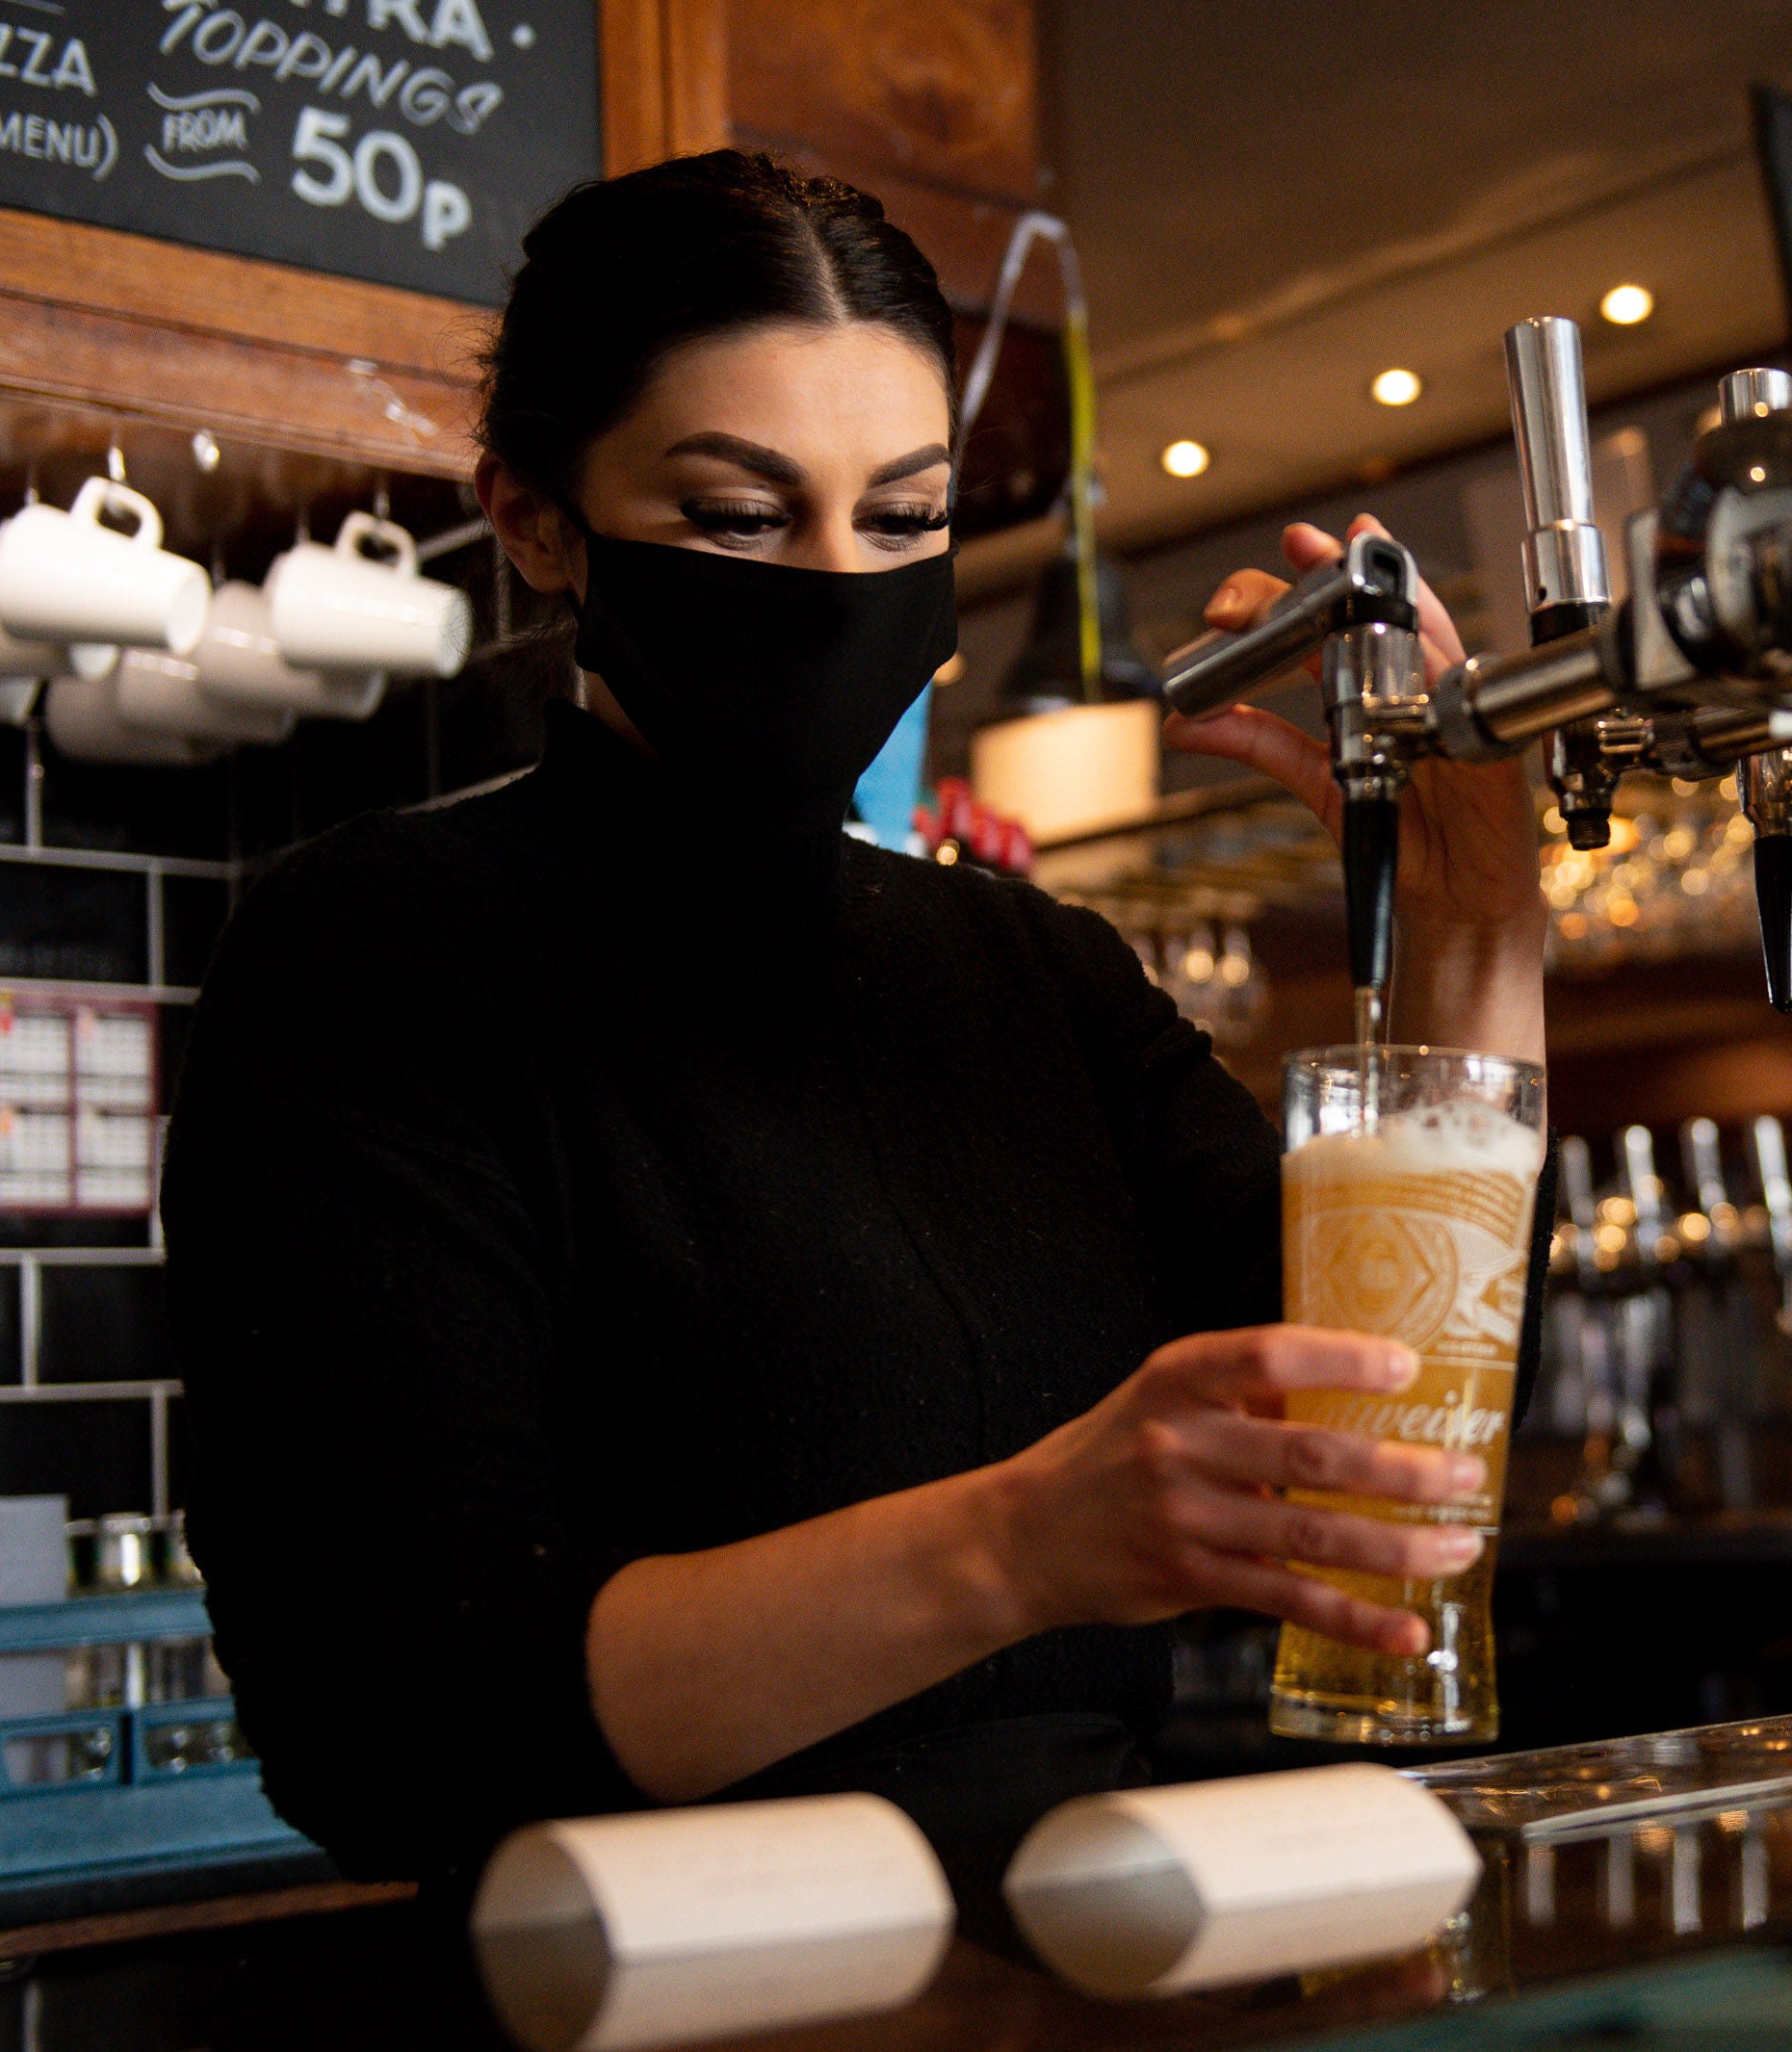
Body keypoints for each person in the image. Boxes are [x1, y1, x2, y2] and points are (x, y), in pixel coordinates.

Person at [161, 149, 1550, 1884]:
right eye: (742, 517)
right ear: (534, 522)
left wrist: (1482, 913)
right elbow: (396, 1718)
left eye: (901, 520)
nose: (833, 579)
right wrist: (1020, 1548)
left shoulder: (1036, 974)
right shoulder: (375, 956)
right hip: (617, 2040)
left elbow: (1399, 1450)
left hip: (1078, 2002)